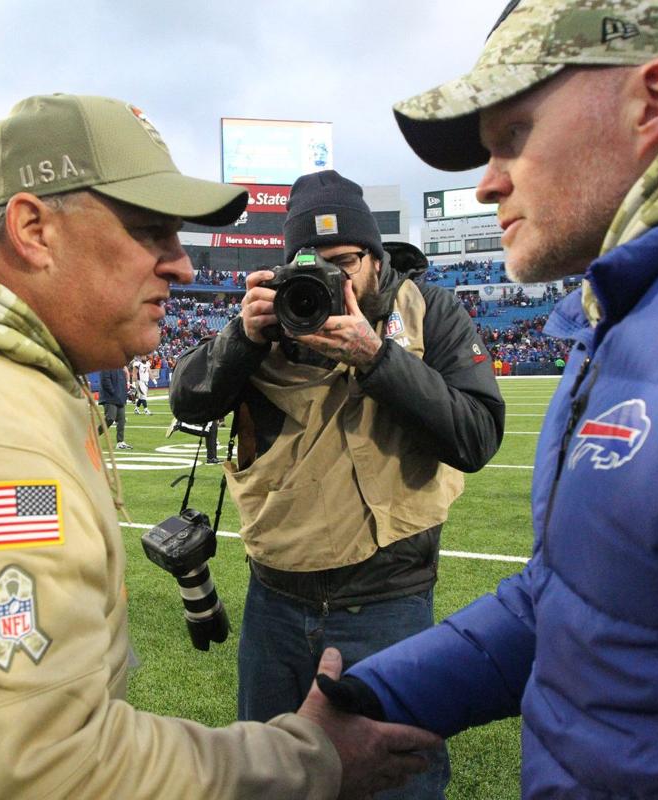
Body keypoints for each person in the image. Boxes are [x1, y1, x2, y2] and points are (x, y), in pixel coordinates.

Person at [0, 94, 439, 799]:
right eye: (150, 231)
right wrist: (309, 758)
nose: (179, 265)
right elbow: (52, 769)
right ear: (32, 229)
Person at [319, 2, 658, 796]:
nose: (488, 181)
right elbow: (584, 598)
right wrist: (377, 696)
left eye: (515, 136)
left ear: (655, 98)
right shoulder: (649, 299)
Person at [170, 169, 505, 798]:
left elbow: (477, 437)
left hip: (390, 599)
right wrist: (242, 338)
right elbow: (189, 404)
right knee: (272, 778)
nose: (332, 280)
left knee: (397, 778)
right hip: (276, 598)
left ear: (376, 258)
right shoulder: (268, 322)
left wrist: (378, 358)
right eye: (312, 265)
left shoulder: (429, 312)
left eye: (346, 261)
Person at [97, 366, 131, 450]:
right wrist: (113, 392)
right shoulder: (105, 365)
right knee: (110, 418)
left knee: (122, 420)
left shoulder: (120, 366)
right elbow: (105, 381)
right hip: (109, 397)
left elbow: (122, 381)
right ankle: (93, 436)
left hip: (119, 397)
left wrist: (125, 393)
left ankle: (120, 442)